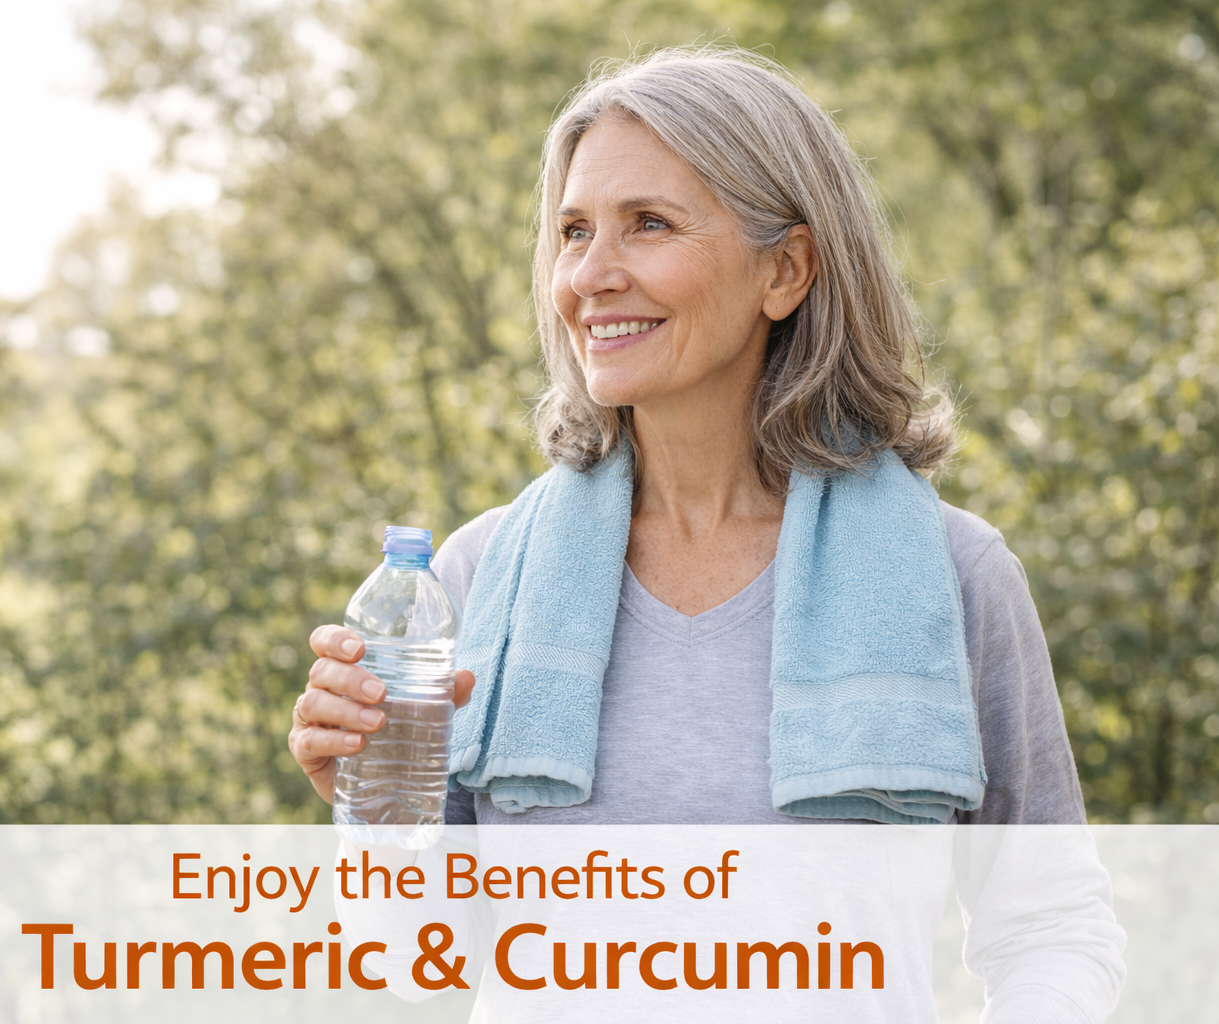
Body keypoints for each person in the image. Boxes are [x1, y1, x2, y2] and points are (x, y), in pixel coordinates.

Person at [286, 46, 1123, 1019]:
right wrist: (373, 819)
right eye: (573, 231)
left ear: (787, 268)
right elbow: (412, 975)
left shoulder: (955, 576)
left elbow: (1052, 929)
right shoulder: (478, 579)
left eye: (648, 224)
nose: (591, 275)